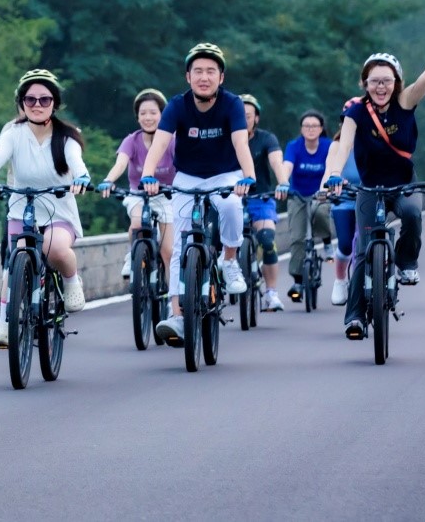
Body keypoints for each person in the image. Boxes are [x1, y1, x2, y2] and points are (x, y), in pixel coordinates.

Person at [323, 15, 425, 340]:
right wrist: (333, 174)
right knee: (362, 252)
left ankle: (406, 262)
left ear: (397, 82)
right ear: (365, 83)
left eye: (387, 80)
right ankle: (355, 317)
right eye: (374, 81)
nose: (381, 86)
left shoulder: (405, 101)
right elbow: (344, 144)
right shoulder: (356, 111)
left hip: (403, 182)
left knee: (413, 214)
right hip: (369, 186)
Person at [140, 43, 257, 343]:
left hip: (225, 174)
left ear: (221, 77)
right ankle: (178, 315)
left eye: (211, 71)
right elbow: (160, 144)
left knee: (231, 208)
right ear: (188, 77)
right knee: (179, 247)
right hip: (188, 177)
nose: (204, 77)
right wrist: (148, 174)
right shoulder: (177, 106)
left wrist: (248, 176)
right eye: (198, 71)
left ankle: (229, 260)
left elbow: (241, 143)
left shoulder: (231, 104)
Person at [0, 69, 91, 348]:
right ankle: (3, 324)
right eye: (30, 99)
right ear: (21, 103)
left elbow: (76, 162)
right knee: (13, 265)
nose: (37, 105)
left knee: (55, 248)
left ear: (55, 104)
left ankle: (71, 281)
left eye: (45, 100)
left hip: (58, 211)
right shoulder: (13, 133)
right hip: (21, 210)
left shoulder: (67, 137)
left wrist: (82, 177)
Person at [97, 88, 175, 285]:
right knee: (137, 222)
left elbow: (184, 166)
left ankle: (173, 300)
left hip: (167, 197)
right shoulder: (131, 140)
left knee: (169, 252)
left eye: (153, 113)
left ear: (162, 115)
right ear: (137, 117)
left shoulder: (172, 141)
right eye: (143, 113)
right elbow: (120, 164)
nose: (148, 117)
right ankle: (133, 253)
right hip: (139, 196)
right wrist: (108, 180)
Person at [278, 110, 335, 302]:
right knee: (297, 239)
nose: (310, 129)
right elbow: (287, 165)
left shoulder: (328, 146)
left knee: (320, 213)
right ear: (301, 129)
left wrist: (327, 189)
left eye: (314, 126)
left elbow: (332, 167)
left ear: (321, 129)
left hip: (321, 195)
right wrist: (283, 182)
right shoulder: (294, 146)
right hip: (298, 196)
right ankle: (297, 280)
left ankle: (326, 242)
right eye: (306, 126)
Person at [240, 94, 288, 311]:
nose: (243, 119)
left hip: (261, 198)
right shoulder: (224, 138)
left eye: (248, 115)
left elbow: (276, 161)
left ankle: (271, 293)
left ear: (256, 118)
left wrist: (283, 182)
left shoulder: (266, 138)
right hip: (228, 198)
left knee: (267, 240)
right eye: (239, 115)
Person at [327, 99, 362, 306]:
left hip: (371, 196)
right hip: (345, 199)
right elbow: (329, 171)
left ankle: (382, 274)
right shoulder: (337, 146)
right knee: (346, 244)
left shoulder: (378, 144)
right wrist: (328, 186)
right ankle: (340, 280)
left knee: (372, 240)